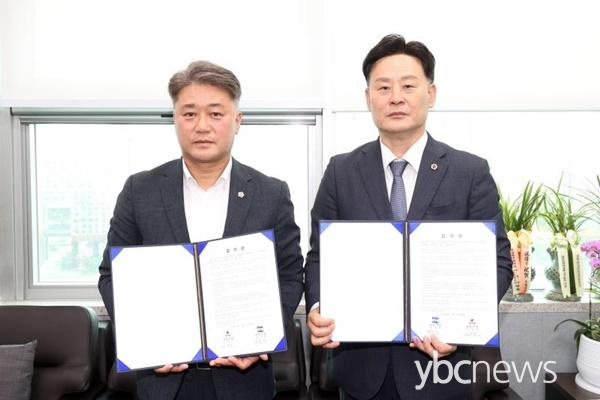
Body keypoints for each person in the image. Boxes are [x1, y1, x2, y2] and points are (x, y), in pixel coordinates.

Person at [304, 34, 513, 400]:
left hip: (440, 370)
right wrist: (320, 307)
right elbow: (320, 257)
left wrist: (461, 326)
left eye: (408, 86)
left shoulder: (469, 172)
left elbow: (497, 261)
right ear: (368, 97)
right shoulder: (340, 172)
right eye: (383, 87)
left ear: (431, 94)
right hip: (361, 374)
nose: (395, 97)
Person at [98, 60, 304, 400]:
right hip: (164, 383)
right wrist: (145, 341)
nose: (202, 126)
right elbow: (111, 275)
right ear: (175, 119)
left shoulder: (271, 193)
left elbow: (290, 275)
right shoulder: (140, 190)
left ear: (237, 121)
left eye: (216, 114)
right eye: (190, 114)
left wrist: (261, 339)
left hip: (244, 382)